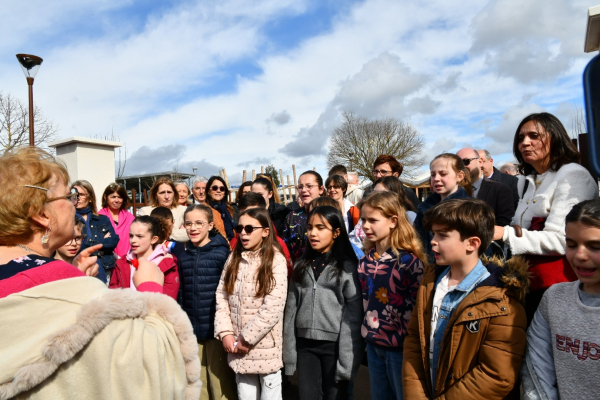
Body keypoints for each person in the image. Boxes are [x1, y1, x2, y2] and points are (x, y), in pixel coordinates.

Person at [0, 147, 200, 399]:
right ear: (42, 214)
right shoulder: (70, 290)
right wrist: (151, 290)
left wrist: (71, 276)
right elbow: (152, 370)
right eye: (68, 196)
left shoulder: (57, 281)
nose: (75, 203)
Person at [403, 199, 528, 399]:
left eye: (442, 235)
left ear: (472, 243)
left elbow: (497, 374)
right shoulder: (430, 282)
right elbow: (415, 341)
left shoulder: (501, 299)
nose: (433, 241)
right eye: (433, 233)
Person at [493, 112, 598, 322]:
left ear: (555, 137)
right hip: (528, 284)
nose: (525, 143)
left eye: (534, 136)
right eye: (521, 138)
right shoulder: (525, 181)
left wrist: (503, 233)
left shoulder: (572, 175)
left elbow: (562, 240)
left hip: (558, 286)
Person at [522, 199, 600, 400]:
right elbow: (537, 369)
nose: (579, 255)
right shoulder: (554, 297)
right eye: (571, 244)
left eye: (595, 246)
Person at [284, 206, 364, 400]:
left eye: (321, 228)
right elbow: (291, 311)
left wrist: (347, 363)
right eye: (310, 227)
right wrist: (289, 354)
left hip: (334, 347)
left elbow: (352, 317)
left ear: (336, 232)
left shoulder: (347, 267)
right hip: (305, 346)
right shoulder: (301, 264)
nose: (313, 233)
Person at [358, 192, 426, 400]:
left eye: (372, 220)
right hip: (373, 345)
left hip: (401, 349)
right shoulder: (365, 261)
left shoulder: (410, 263)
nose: (365, 226)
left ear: (393, 221)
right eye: (363, 220)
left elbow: (418, 309)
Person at [214, 208, 288, 400]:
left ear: (265, 231)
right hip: (237, 346)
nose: (243, 233)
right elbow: (222, 296)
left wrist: (246, 338)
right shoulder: (234, 257)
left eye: (249, 228)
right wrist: (226, 333)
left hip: (264, 348)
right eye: (239, 228)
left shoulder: (275, 260)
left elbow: (273, 307)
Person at [173, 204, 237, 400]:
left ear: (210, 225)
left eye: (199, 223)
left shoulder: (221, 254)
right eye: (189, 223)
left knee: (219, 380)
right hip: (191, 327)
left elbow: (229, 293)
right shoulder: (181, 255)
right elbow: (181, 292)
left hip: (215, 328)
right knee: (196, 381)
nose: (193, 228)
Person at [413, 154, 472, 261]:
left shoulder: (469, 209)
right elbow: (417, 240)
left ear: (459, 176)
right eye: (433, 174)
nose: (436, 179)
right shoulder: (423, 208)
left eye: (443, 174)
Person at [109, 215, 180, 300]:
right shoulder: (122, 263)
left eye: (140, 236)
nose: (133, 240)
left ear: (154, 239)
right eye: (131, 236)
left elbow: (168, 299)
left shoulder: (167, 263)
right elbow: (113, 295)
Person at [230, 193, 293, 277]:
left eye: (253, 213)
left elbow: (287, 275)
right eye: (243, 214)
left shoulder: (277, 245)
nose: (247, 218)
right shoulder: (234, 243)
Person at [72, 179, 119, 283]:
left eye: (81, 195)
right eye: (75, 194)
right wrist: (101, 242)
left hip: (104, 266)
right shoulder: (69, 219)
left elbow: (113, 241)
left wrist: (87, 242)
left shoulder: (102, 219)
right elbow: (74, 246)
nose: (77, 198)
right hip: (80, 267)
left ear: (90, 198)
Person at [456, 148, 515, 227]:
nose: (462, 167)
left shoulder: (500, 190)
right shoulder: (453, 191)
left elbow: (503, 224)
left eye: (466, 162)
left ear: (480, 162)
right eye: (458, 165)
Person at [282, 170, 325, 263]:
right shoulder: (292, 216)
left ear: (321, 189)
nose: (304, 190)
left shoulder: (329, 215)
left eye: (309, 186)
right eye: (300, 187)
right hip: (298, 270)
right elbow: (285, 247)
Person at [138, 177, 189, 242]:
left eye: (169, 192)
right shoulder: (145, 212)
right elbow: (142, 235)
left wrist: (156, 232)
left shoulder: (184, 211)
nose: (166, 197)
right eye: (162, 193)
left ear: (174, 194)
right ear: (155, 195)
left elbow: (190, 233)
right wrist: (177, 232)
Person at [98, 182, 135, 258]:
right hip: (107, 260)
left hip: (129, 260)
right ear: (105, 197)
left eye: (120, 197)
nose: (117, 200)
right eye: (113, 197)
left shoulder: (130, 217)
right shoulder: (99, 216)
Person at [207, 176, 238, 241]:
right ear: (208, 191)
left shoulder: (230, 209)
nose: (218, 190)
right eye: (214, 188)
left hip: (233, 244)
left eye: (222, 189)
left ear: (225, 192)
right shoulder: (204, 209)